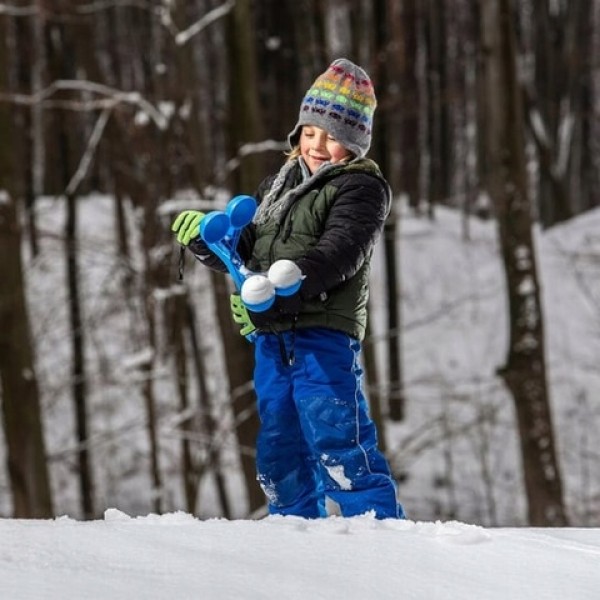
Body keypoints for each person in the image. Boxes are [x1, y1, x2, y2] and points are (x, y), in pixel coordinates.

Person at [172, 58, 405, 520]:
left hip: (322, 335)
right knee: (279, 445)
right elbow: (248, 252)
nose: (318, 144)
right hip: (273, 339)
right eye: (311, 132)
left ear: (355, 143)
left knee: (337, 435)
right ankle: (293, 534)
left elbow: (341, 252)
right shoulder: (276, 187)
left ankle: (381, 535)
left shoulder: (360, 187)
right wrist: (207, 241)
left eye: (334, 136)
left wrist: (287, 280)